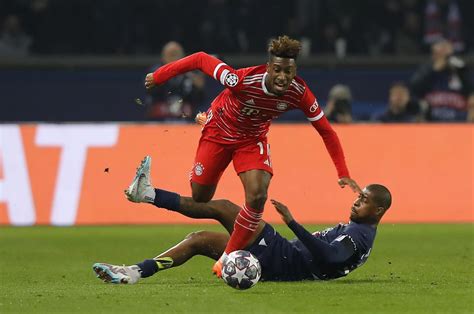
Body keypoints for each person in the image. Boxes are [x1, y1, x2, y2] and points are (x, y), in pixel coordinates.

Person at [133, 35, 361, 277]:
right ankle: (149, 193)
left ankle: (227, 257)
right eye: (277, 70)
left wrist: (343, 172)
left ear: (295, 71)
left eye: (289, 71)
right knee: (200, 196)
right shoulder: (242, 79)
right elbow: (201, 59)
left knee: (257, 194)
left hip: (251, 141)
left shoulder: (299, 92)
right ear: (268, 67)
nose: (283, 76)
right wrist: (160, 75)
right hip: (218, 132)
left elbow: (326, 130)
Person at [93, 162, 391, 284]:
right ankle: (134, 272)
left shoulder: (358, 236)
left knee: (223, 207)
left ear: (377, 211)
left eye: (363, 200)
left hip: (285, 259)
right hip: (283, 260)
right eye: (358, 196)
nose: (356, 200)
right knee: (197, 239)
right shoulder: (361, 232)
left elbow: (330, 256)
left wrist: (292, 222)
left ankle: (149, 194)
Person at [410, 39, 474, 122]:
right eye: (440, 53)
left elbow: (471, 89)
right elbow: (414, 87)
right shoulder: (426, 69)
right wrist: (434, 70)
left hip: (457, 118)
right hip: (432, 119)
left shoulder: (460, 67)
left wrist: (458, 70)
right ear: (434, 54)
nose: (443, 56)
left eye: (446, 52)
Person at [144, 41, 205, 120]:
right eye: (170, 55)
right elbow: (150, 94)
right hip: (159, 121)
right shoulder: (155, 72)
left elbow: (199, 100)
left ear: (183, 56)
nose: (173, 58)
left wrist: (199, 89)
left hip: (186, 120)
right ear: (163, 56)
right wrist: (165, 75)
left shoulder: (191, 73)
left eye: (176, 54)